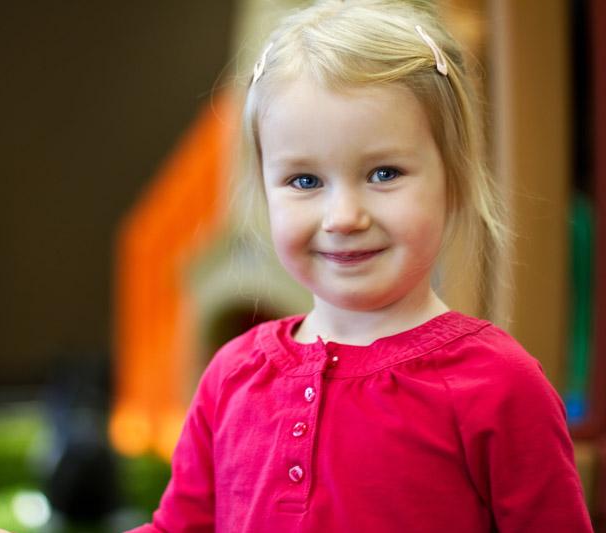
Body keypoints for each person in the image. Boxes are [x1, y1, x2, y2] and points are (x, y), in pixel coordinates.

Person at [125, 0, 594, 531]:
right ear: (265, 191)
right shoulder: (231, 377)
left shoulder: (500, 386)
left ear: (455, 179)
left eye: (384, 173)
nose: (343, 217)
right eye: (305, 181)